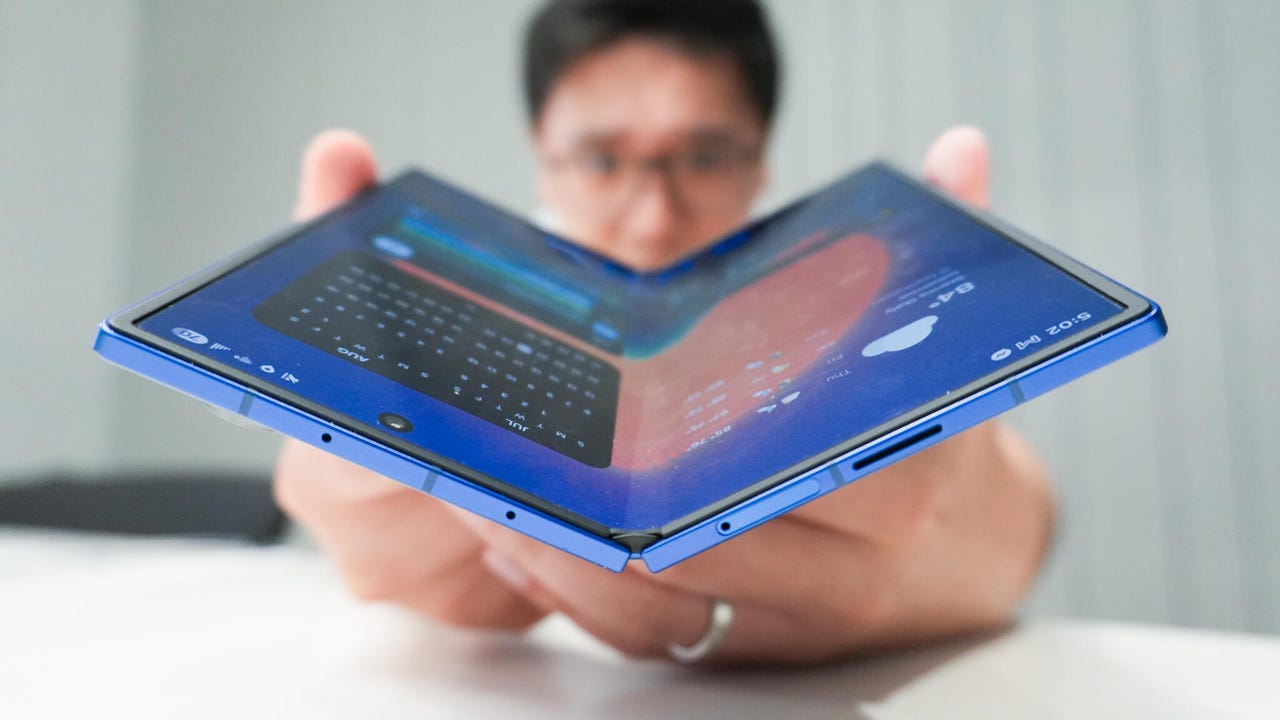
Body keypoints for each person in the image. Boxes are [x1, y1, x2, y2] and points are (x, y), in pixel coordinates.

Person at [275, 0, 1052, 667]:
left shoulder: (827, 311)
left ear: (760, 161)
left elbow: (1020, 502)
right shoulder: (452, 312)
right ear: (542, 155)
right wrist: (341, 480)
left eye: (705, 157)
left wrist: (976, 529)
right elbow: (321, 503)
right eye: (602, 159)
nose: (653, 219)